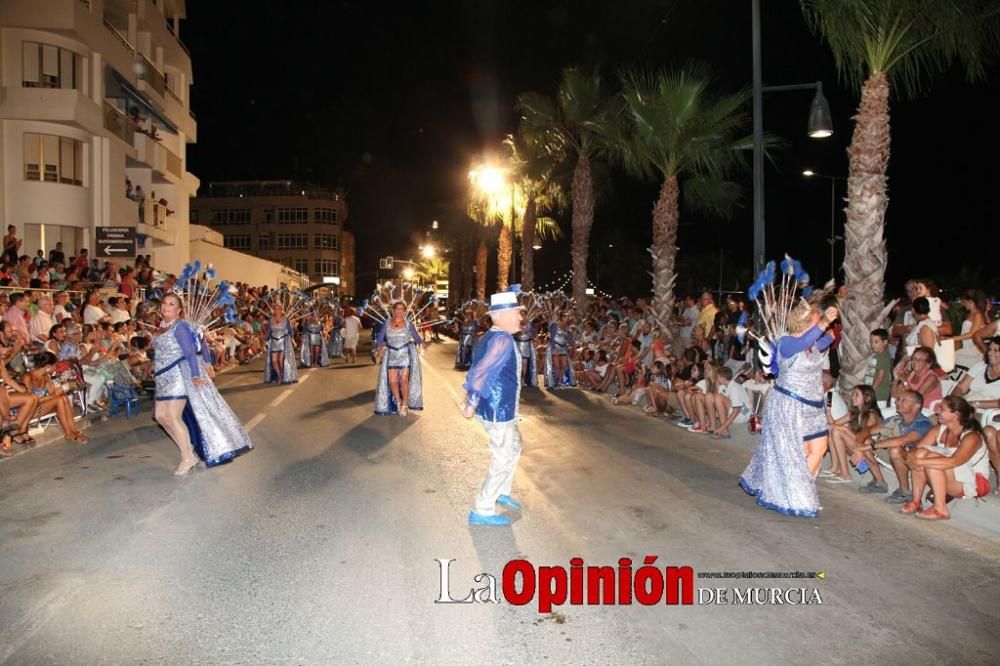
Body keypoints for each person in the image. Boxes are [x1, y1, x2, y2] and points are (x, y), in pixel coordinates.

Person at [740, 300, 838, 517]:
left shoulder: (811, 344)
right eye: (814, 319)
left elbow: (823, 341)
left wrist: (831, 332)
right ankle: (797, 495)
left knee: (819, 449)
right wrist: (823, 322)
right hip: (789, 406)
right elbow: (806, 340)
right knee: (799, 454)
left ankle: (799, 491)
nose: (818, 323)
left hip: (813, 407)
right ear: (804, 322)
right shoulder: (785, 343)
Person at [152, 293, 253, 475]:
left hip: (176, 376)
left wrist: (196, 374)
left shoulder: (180, 326)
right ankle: (188, 451)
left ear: (178, 310)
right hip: (162, 377)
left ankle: (187, 457)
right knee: (160, 416)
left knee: (172, 417)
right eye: (164, 303)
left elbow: (190, 352)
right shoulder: (160, 327)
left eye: (171, 304)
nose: (166, 307)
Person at [464, 290, 526, 526]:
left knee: (515, 446)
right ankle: (483, 507)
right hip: (498, 408)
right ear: (502, 316)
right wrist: (471, 403)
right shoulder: (501, 339)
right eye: (517, 313)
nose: (521, 318)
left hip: (505, 407)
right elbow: (482, 371)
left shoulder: (496, 335)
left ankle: (502, 491)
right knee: (502, 456)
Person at [901, 396, 992, 520]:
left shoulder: (972, 437)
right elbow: (917, 449)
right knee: (920, 453)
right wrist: (912, 456)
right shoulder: (939, 430)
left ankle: (941, 509)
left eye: (941, 409)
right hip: (950, 476)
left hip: (972, 483)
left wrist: (918, 461)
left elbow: (954, 461)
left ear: (956, 414)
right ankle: (916, 501)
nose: (937, 412)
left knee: (930, 458)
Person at [373, 301, 423, 416]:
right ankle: (399, 401)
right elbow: (380, 338)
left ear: (404, 311)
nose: (399, 311)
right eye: (397, 309)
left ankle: (405, 404)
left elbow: (415, 336)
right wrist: (378, 348)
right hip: (391, 354)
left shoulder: (408, 323)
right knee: (392, 381)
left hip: (405, 353)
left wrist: (422, 343)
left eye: (401, 309)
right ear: (393, 310)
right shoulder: (386, 323)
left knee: (404, 380)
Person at [264, 303, 297, 384]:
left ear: (281, 310)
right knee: (274, 360)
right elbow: (269, 331)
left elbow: (290, 330)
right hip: (274, 341)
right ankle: (279, 375)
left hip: (283, 341)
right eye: (275, 309)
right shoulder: (271, 319)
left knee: (280, 360)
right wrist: (265, 340)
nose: (277, 310)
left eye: (279, 309)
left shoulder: (286, 319)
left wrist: (293, 340)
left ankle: (282, 375)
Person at [514, 316, 538, 387]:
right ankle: (517, 380)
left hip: (526, 345)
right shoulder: (516, 323)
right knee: (518, 364)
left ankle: (523, 380)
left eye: (524, 314)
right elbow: (513, 334)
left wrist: (530, 334)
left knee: (525, 364)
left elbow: (534, 334)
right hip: (518, 345)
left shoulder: (529, 324)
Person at [455, 304, 479, 369]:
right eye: (466, 315)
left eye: (469, 315)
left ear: (471, 316)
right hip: (464, 338)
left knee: (470, 350)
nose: (467, 316)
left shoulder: (474, 322)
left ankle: (469, 363)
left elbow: (477, 329)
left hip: (471, 339)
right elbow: (461, 329)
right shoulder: (464, 322)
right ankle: (462, 363)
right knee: (462, 350)